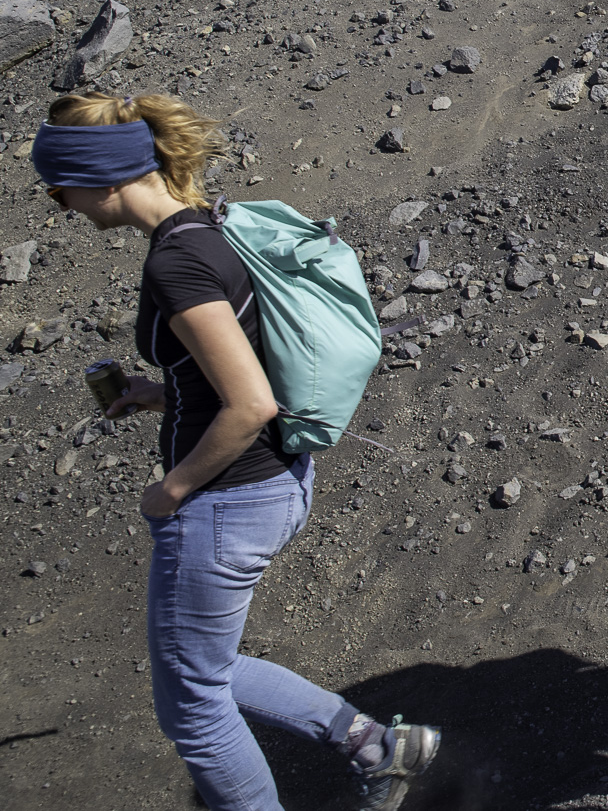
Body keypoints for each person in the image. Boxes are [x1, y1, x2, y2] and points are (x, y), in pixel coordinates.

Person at [32, 92, 441, 811]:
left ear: (99, 178)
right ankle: (375, 744)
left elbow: (249, 403)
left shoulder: (176, 264)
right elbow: (239, 370)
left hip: (227, 504)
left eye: (57, 186)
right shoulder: (210, 233)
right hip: (276, 482)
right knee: (199, 672)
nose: (58, 205)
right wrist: (157, 393)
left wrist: (174, 489)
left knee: (192, 709)